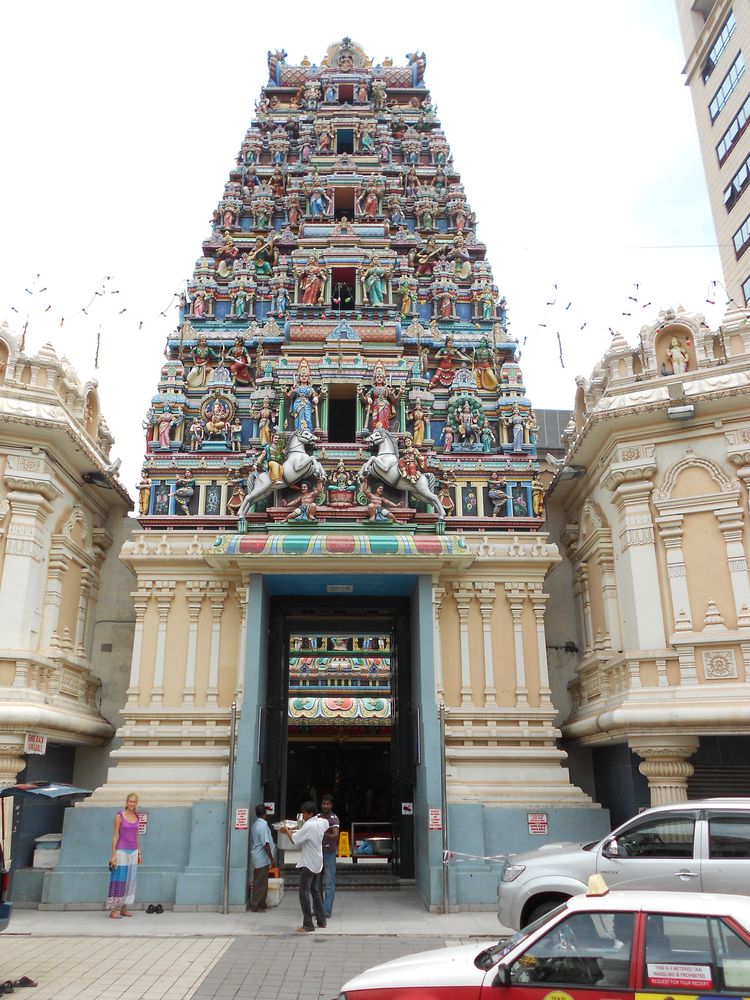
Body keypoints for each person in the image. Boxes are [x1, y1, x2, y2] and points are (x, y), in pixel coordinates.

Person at [281, 801, 329, 932]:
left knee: (304, 892)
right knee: (315, 890)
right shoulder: (322, 822)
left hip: (309, 862)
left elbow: (295, 840)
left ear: (310, 813)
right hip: (318, 861)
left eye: (304, 813)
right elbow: (325, 823)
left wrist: (286, 830)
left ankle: (308, 924)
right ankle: (322, 920)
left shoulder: (309, 825)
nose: (303, 815)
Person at [107, 793, 141, 918]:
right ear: (126, 802)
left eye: (134, 802)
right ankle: (114, 909)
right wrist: (113, 855)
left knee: (130, 880)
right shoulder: (119, 816)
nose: (132, 804)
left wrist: (139, 852)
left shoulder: (137, 817)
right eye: (130, 801)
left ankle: (124, 908)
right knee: (119, 879)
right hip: (121, 851)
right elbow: (115, 835)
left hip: (133, 851)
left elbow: (137, 836)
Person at [249, 804, 275, 912]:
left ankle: (262, 903)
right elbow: (266, 844)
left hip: (257, 856)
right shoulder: (263, 826)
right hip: (262, 858)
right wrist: (271, 858)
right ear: (265, 813)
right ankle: (256, 905)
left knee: (263, 882)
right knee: (260, 883)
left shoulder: (255, 825)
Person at [318, 794, 340, 918]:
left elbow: (335, 836)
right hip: (317, 853)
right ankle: (319, 908)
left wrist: (322, 834)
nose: (325, 806)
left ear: (331, 805)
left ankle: (326, 911)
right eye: (324, 803)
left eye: (328, 804)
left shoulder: (334, 819)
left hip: (329, 853)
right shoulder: (317, 817)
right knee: (317, 883)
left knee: (329, 882)